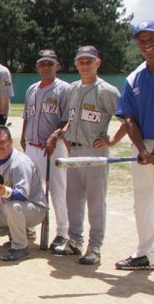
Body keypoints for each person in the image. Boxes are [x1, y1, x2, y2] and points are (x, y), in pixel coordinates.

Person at [50, 46, 126, 265]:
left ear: (97, 63)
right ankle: (75, 241)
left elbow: (127, 119)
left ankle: (95, 246)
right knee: (72, 199)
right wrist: (64, 134)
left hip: (94, 152)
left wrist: (112, 141)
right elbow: (70, 119)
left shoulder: (106, 90)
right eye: (81, 62)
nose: (85, 65)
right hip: (73, 151)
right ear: (75, 64)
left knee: (95, 201)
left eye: (89, 62)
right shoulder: (73, 88)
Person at [0, 126, 48, 261]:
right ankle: (18, 234)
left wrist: (5, 192)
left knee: (12, 206)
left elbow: (23, 195)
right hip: (9, 209)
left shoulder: (20, 162)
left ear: (10, 142)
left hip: (34, 209)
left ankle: (21, 247)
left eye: (2, 142)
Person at [20, 49, 71, 251]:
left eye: (50, 64)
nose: (46, 67)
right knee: (32, 190)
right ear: (37, 66)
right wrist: (23, 138)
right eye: (42, 64)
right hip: (32, 147)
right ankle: (30, 226)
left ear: (57, 66)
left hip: (53, 147)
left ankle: (62, 233)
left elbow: (68, 120)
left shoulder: (64, 89)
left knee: (58, 190)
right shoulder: (31, 89)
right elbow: (27, 117)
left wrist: (55, 135)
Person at [115, 20, 154, 271]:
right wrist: (141, 149)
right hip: (144, 146)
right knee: (142, 201)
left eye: (150, 37)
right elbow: (128, 117)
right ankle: (144, 254)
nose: (146, 43)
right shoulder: (134, 77)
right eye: (141, 39)